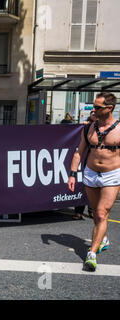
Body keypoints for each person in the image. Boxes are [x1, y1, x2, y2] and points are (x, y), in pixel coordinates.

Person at [67, 92, 119, 271]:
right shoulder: (87, 128)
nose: (94, 110)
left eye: (97, 107)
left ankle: (91, 254)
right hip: (90, 173)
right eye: (93, 106)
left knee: (102, 213)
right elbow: (78, 152)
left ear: (109, 108)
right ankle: (102, 237)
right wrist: (73, 174)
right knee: (96, 214)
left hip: (112, 175)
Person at [73, 111, 97, 220]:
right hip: (87, 162)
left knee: (94, 188)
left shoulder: (107, 128)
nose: (95, 112)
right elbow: (79, 150)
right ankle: (79, 211)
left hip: (99, 166)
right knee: (82, 186)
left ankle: (92, 210)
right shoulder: (86, 127)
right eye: (93, 112)